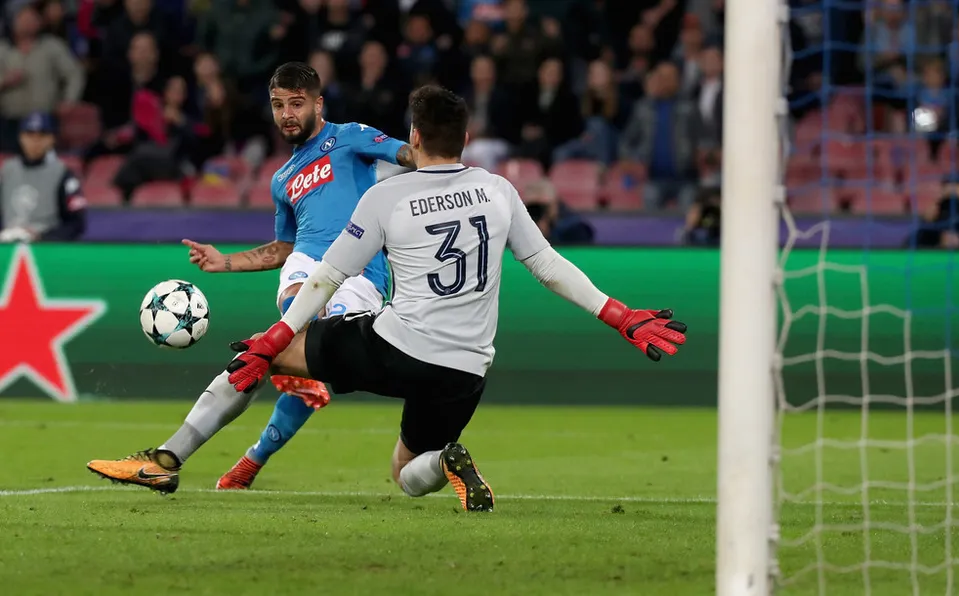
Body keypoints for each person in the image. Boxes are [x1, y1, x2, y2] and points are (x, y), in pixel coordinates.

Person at [220, 85, 687, 511]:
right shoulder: (497, 190)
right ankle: (444, 459)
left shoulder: (388, 196)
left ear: (415, 136)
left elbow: (328, 276)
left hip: (397, 347)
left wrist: (277, 335)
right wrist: (621, 316)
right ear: (465, 138)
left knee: (266, 354)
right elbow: (548, 265)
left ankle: (179, 457)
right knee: (406, 474)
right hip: (466, 367)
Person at [85, 62, 416, 493]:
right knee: (274, 339)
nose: (287, 114)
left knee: (279, 355)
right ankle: (168, 460)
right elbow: (282, 249)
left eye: (297, 104)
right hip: (305, 265)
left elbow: (412, 157)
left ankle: (245, 451)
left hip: (360, 276)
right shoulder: (282, 179)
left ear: (318, 104)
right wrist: (223, 262)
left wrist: (446, 168)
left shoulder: (351, 136)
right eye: (278, 105)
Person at [0, 112, 86, 242]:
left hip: (47, 249)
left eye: (42, 136)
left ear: (52, 139)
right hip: (7, 245)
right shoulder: (6, 171)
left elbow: (76, 223)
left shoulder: (63, 173)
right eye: (30, 135)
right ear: (21, 137)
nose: (35, 141)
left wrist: (44, 238)